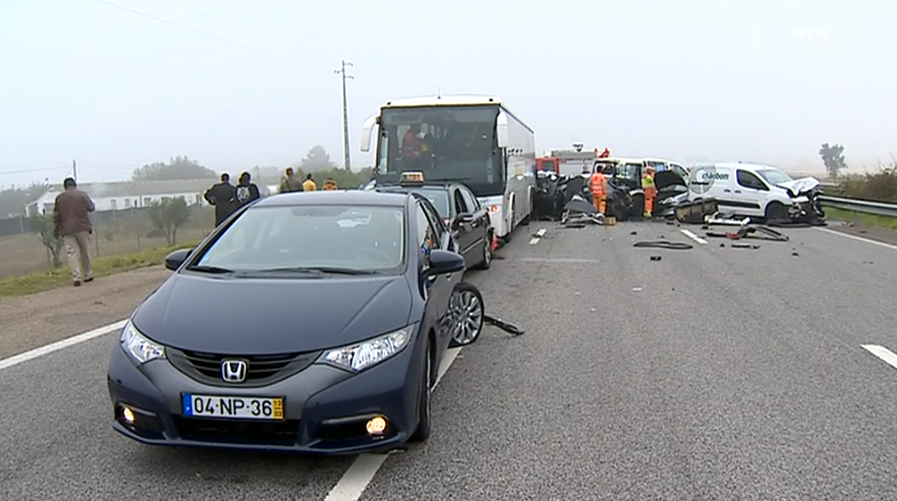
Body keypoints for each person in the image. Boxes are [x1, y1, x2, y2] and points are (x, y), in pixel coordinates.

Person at [53, 177, 95, 287]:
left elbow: (56, 215)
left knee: (71, 253)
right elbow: (91, 208)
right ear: (75, 185)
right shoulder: (82, 195)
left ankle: (76, 277)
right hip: (82, 227)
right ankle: (88, 274)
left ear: (65, 187)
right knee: (85, 251)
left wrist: (56, 229)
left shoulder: (60, 198)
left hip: (67, 229)